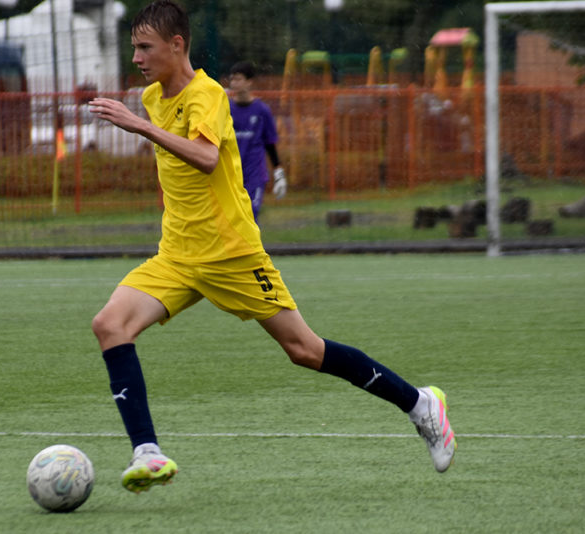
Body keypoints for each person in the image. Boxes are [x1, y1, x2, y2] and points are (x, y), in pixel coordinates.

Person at [88, 0, 456, 494]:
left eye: (144, 47)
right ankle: (147, 452)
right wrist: (144, 121)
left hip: (233, 254)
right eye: (133, 47)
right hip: (177, 255)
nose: (135, 58)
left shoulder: (207, 94)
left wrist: (140, 126)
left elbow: (205, 157)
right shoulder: (154, 96)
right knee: (110, 325)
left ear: (176, 45)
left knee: (304, 350)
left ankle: (419, 404)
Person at [228, 60, 286, 220]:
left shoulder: (262, 110)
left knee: (250, 215)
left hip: (254, 174)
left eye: (238, 79)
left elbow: (270, 143)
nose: (234, 83)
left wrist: (278, 172)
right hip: (230, 173)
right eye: (232, 79)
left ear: (249, 82)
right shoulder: (226, 109)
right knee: (231, 219)